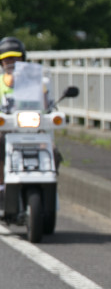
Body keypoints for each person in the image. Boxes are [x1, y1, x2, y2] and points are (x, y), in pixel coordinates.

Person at [0, 36, 56, 192]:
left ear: (23, 59)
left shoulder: (35, 81)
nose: (11, 63)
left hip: (32, 128)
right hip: (6, 129)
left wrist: (50, 111)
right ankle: (1, 186)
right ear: (1, 62)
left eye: (15, 58)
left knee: (53, 150)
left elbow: (45, 105)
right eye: (7, 59)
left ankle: (49, 184)